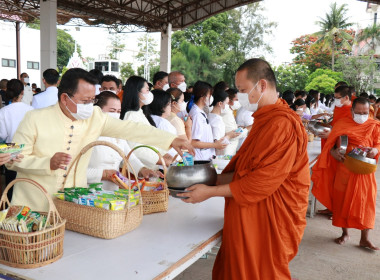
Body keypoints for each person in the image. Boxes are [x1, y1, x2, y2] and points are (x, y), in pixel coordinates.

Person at [179, 58, 310, 279]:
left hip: (268, 218)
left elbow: (261, 182)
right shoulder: (264, 119)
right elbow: (244, 171)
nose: (238, 96)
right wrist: (206, 178)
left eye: (242, 90)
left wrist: (209, 192)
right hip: (249, 213)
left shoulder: (281, 124)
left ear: (262, 85)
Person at [7, 68, 193, 211]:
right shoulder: (34, 118)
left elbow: (130, 129)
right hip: (34, 207)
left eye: (92, 100)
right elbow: (13, 160)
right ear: (65, 98)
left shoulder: (94, 117)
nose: (90, 105)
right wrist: (48, 162)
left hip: (75, 205)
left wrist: (171, 140)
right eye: (85, 101)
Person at [312, 97, 380, 250]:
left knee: (366, 202)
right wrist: (333, 152)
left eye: (365, 112)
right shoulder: (342, 124)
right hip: (345, 167)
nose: (362, 116)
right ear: (351, 111)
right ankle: (345, 233)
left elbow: (378, 142)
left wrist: (376, 150)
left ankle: (365, 239)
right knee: (342, 201)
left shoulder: (374, 125)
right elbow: (331, 144)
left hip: (365, 169)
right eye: (358, 112)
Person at [87, 91, 161, 191]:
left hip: (113, 195)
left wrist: (143, 170)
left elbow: (130, 158)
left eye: (118, 112)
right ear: (97, 111)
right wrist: (104, 174)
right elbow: (76, 170)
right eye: (112, 111)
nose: (116, 115)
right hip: (88, 194)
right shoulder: (87, 134)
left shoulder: (117, 134)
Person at [120, 76, 176, 169]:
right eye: (147, 90)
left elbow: (150, 140)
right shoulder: (131, 115)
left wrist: (164, 154)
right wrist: (160, 159)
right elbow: (135, 147)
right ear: (137, 92)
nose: (149, 93)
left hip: (149, 168)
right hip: (140, 169)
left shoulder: (140, 113)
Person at [0, 79, 33, 200]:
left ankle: (9, 214)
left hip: (11, 150)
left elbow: (2, 135)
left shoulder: (3, 112)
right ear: (22, 93)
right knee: (27, 185)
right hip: (29, 150)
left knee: (11, 187)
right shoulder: (31, 110)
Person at [187, 81, 227, 161]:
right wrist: (215, 145)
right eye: (210, 95)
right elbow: (193, 142)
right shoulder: (196, 115)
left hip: (206, 156)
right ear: (203, 96)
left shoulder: (201, 113)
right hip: (200, 159)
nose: (211, 98)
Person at [209, 89, 240, 156]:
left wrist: (227, 134)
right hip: (216, 156)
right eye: (227, 103)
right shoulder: (216, 120)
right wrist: (229, 136)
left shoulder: (211, 116)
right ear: (220, 103)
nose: (229, 106)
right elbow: (217, 144)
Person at [222, 88, 247, 156]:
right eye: (236, 100)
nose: (238, 102)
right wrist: (248, 129)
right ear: (229, 100)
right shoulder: (226, 113)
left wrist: (238, 126)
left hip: (230, 150)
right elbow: (234, 134)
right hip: (227, 151)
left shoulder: (230, 111)